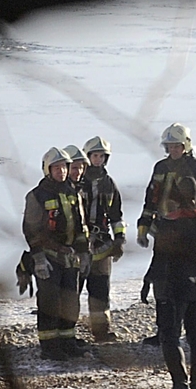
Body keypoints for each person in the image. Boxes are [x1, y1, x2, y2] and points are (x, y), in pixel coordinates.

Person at [148, 176, 196, 389]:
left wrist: (149, 281)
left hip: (172, 285)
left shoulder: (168, 222)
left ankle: (180, 386)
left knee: (170, 336)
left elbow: (159, 257)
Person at [23, 146, 90, 359]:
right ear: (47, 170)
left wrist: (84, 251)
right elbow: (31, 230)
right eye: (57, 168)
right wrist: (38, 257)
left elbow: (80, 225)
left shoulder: (73, 192)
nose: (61, 172)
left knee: (70, 301)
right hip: (49, 257)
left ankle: (67, 340)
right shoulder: (37, 195)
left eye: (64, 167)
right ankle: (49, 346)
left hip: (71, 257)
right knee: (50, 302)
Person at [137, 123, 196, 249]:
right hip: (163, 229)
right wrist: (143, 228)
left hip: (189, 231)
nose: (173, 150)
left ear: (185, 145)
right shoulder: (160, 167)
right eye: (170, 146)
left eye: (176, 146)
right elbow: (150, 200)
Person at [80, 135, 127, 341]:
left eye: (101, 156)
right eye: (94, 156)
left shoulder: (109, 184)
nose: (97, 160)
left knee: (100, 291)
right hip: (79, 245)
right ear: (87, 156)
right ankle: (67, 333)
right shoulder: (77, 182)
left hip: (102, 245)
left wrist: (119, 241)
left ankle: (101, 331)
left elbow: (116, 215)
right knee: (73, 290)